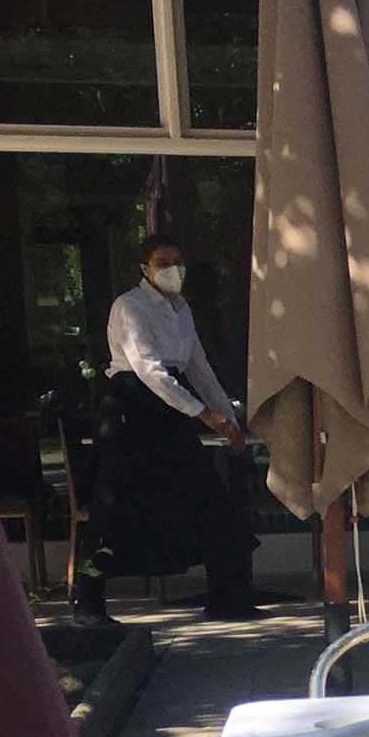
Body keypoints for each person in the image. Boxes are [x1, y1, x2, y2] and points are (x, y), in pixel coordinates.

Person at [77, 235, 259, 622]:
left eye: (178, 260)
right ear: (145, 268)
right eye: (163, 261)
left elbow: (198, 367)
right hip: (132, 411)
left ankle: (227, 596)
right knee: (112, 511)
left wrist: (228, 417)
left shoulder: (182, 310)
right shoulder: (130, 306)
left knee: (208, 499)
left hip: (172, 411)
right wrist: (202, 413)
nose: (172, 269)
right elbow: (148, 370)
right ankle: (88, 601)